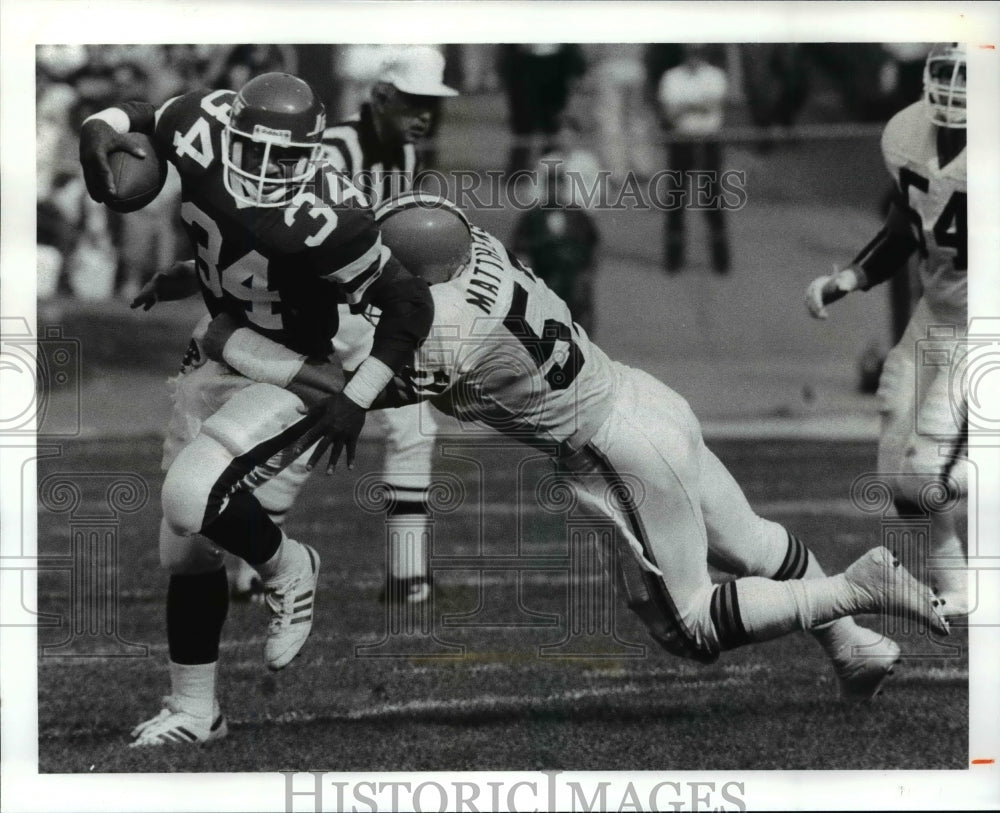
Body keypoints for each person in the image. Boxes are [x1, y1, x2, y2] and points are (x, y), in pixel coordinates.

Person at [208, 192, 950, 702]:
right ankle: (852, 644)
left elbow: (344, 390)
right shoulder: (477, 252)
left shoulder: (440, 334)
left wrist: (228, 335)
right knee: (754, 542)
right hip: (643, 395)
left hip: (608, 446)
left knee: (689, 626)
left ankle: (859, 587)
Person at [78, 71, 434, 745]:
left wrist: (357, 398)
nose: (270, 169)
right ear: (228, 132)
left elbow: (410, 304)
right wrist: (96, 130)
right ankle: (195, 710)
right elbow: (142, 113)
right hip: (221, 346)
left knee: (189, 495)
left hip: (291, 369)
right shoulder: (200, 122)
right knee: (185, 553)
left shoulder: (332, 216)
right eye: (256, 149)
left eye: (290, 157)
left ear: (316, 151)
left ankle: (289, 564)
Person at [225, 46, 459, 605]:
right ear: (381, 95)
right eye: (414, 101)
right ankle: (255, 566)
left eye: (432, 104)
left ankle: (404, 573)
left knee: (408, 427)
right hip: (326, 310)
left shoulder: (403, 150)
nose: (424, 114)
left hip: (369, 307)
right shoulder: (330, 149)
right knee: (305, 434)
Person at [805, 43, 968, 617]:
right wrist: (851, 275)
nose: (955, 88)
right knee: (899, 477)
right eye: (948, 73)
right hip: (937, 314)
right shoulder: (907, 135)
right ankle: (959, 584)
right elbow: (905, 224)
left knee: (930, 469)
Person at [657, 44, 730, 274]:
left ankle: (721, 259)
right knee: (676, 198)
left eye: (698, 52)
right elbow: (669, 110)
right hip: (681, 139)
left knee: (712, 198)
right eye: (690, 52)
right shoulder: (671, 77)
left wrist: (685, 105)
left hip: (709, 140)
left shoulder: (716, 76)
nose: (694, 58)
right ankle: (673, 258)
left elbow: (713, 104)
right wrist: (696, 105)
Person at [512, 151, 600, 336]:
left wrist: (586, 273)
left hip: (572, 277)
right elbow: (519, 248)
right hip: (544, 274)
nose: (554, 190)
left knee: (577, 301)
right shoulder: (533, 216)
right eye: (550, 185)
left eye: (558, 185)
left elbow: (592, 245)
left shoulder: (577, 215)